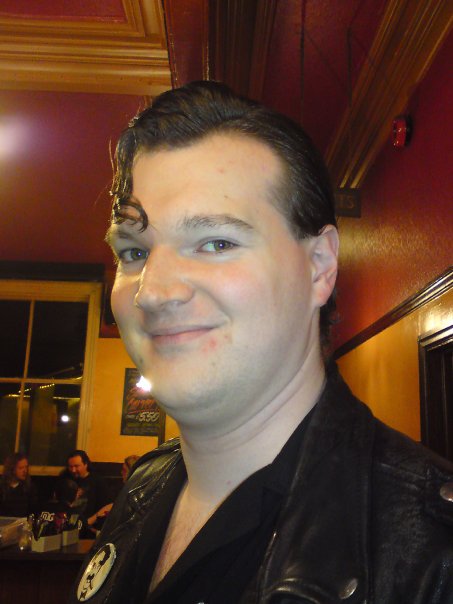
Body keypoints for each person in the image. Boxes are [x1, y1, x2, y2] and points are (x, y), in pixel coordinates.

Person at [70, 81, 453, 603]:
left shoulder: (433, 554)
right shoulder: (141, 489)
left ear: (319, 267)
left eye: (215, 243)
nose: (152, 293)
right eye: (134, 253)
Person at [63, 449, 109, 520]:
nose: (73, 470)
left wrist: (91, 521)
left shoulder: (97, 481)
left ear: (86, 464)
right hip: (67, 521)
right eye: (70, 466)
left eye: (76, 466)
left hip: (88, 523)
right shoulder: (65, 478)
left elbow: (107, 506)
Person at [0, 452, 38, 517]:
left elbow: (33, 511)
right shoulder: (2, 487)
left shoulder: (29, 487)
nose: (25, 471)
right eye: (21, 468)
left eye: (26, 467)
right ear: (12, 469)